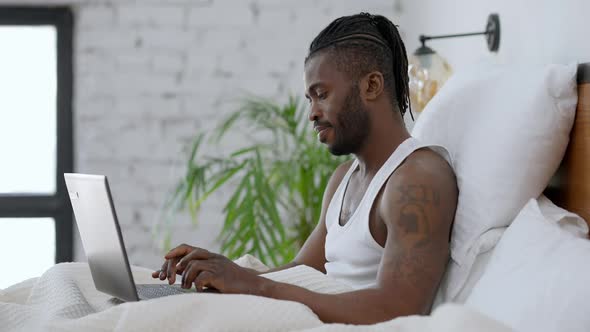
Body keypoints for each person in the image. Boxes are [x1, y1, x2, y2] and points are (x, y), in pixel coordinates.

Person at [152, 12, 458, 325]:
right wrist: (219, 272)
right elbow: (303, 271)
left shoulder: (417, 178)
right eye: (309, 99)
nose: (312, 113)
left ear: (372, 86)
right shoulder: (343, 179)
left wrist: (254, 285)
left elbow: (397, 310)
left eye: (321, 94)